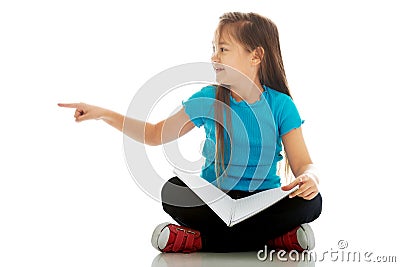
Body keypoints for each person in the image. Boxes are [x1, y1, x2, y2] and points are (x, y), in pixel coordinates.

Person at [58, 12, 322, 253]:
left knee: (313, 201)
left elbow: (302, 163)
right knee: (172, 190)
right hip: (215, 202)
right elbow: (154, 134)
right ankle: (272, 239)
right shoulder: (208, 99)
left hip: (263, 203)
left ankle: (201, 241)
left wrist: (310, 177)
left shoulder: (281, 105)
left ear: (255, 56)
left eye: (223, 49)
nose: (214, 57)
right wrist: (103, 113)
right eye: (214, 49)